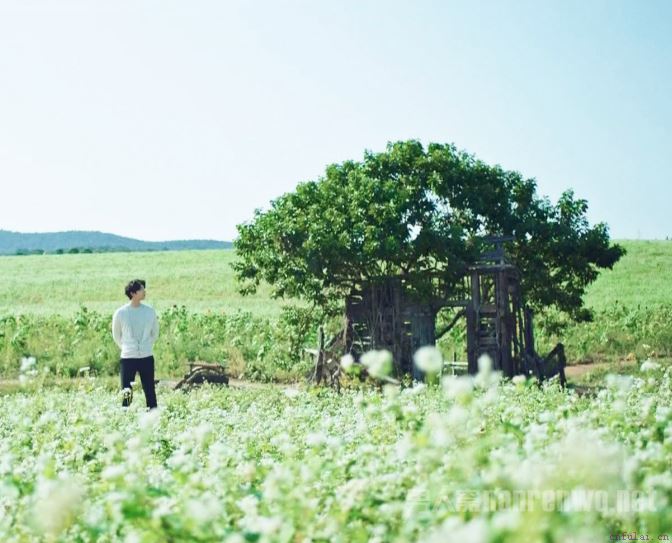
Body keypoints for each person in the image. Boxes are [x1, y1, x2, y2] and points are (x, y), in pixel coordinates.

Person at [112, 279, 159, 409]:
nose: (144, 292)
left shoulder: (150, 311)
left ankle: (153, 415)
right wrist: (126, 348)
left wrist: (146, 346)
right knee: (126, 391)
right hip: (128, 357)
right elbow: (116, 335)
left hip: (146, 356)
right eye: (141, 289)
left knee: (150, 390)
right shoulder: (121, 313)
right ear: (133, 293)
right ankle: (125, 415)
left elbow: (155, 333)